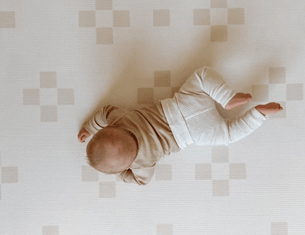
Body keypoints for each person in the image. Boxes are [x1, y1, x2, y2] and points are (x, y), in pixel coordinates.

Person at [78, 66, 283, 185]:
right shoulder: (120, 120)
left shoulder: (141, 165)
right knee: (201, 76)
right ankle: (226, 97)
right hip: (180, 106)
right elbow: (105, 111)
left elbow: (141, 182)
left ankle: (258, 114)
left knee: (228, 134)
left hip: (194, 133)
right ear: (110, 128)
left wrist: (123, 173)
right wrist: (90, 126)